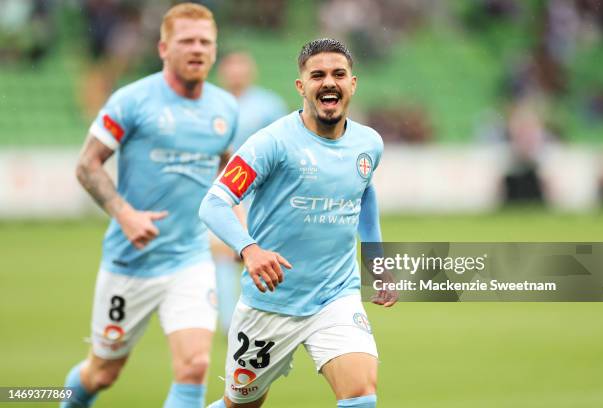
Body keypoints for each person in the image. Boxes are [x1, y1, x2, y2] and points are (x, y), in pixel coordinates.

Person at [201, 38, 397, 408]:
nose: (329, 82)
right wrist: (250, 249)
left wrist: (378, 264)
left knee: (361, 395)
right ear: (301, 86)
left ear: (352, 84)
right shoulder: (271, 143)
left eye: (339, 74)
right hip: (271, 303)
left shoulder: (368, 143)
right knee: (241, 405)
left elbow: (365, 194)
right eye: (317, 75)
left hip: (335, 295)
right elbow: (213, 204)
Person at [62, 3, 237, 407]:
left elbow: (228, 176)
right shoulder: (132, 100)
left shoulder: (224, 108)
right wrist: (124, 214)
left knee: (194, 365)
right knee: (102, 373)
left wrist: (239, 231)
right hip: (131, 262)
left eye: (205, 42)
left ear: (214, 49)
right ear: (163, 48)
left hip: (190, 259)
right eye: (187, 41)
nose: (197, 49)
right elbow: (87, 165)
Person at [212, 51, 288, 334]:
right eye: (231, 68)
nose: (236, 74)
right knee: (222, 254)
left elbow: (283, 146)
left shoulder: (268, 105)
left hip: (258, 192)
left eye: (241, 67)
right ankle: (229, 320)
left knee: (260, 253)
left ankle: (265, 313)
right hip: (224, 191)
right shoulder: (212, 105)